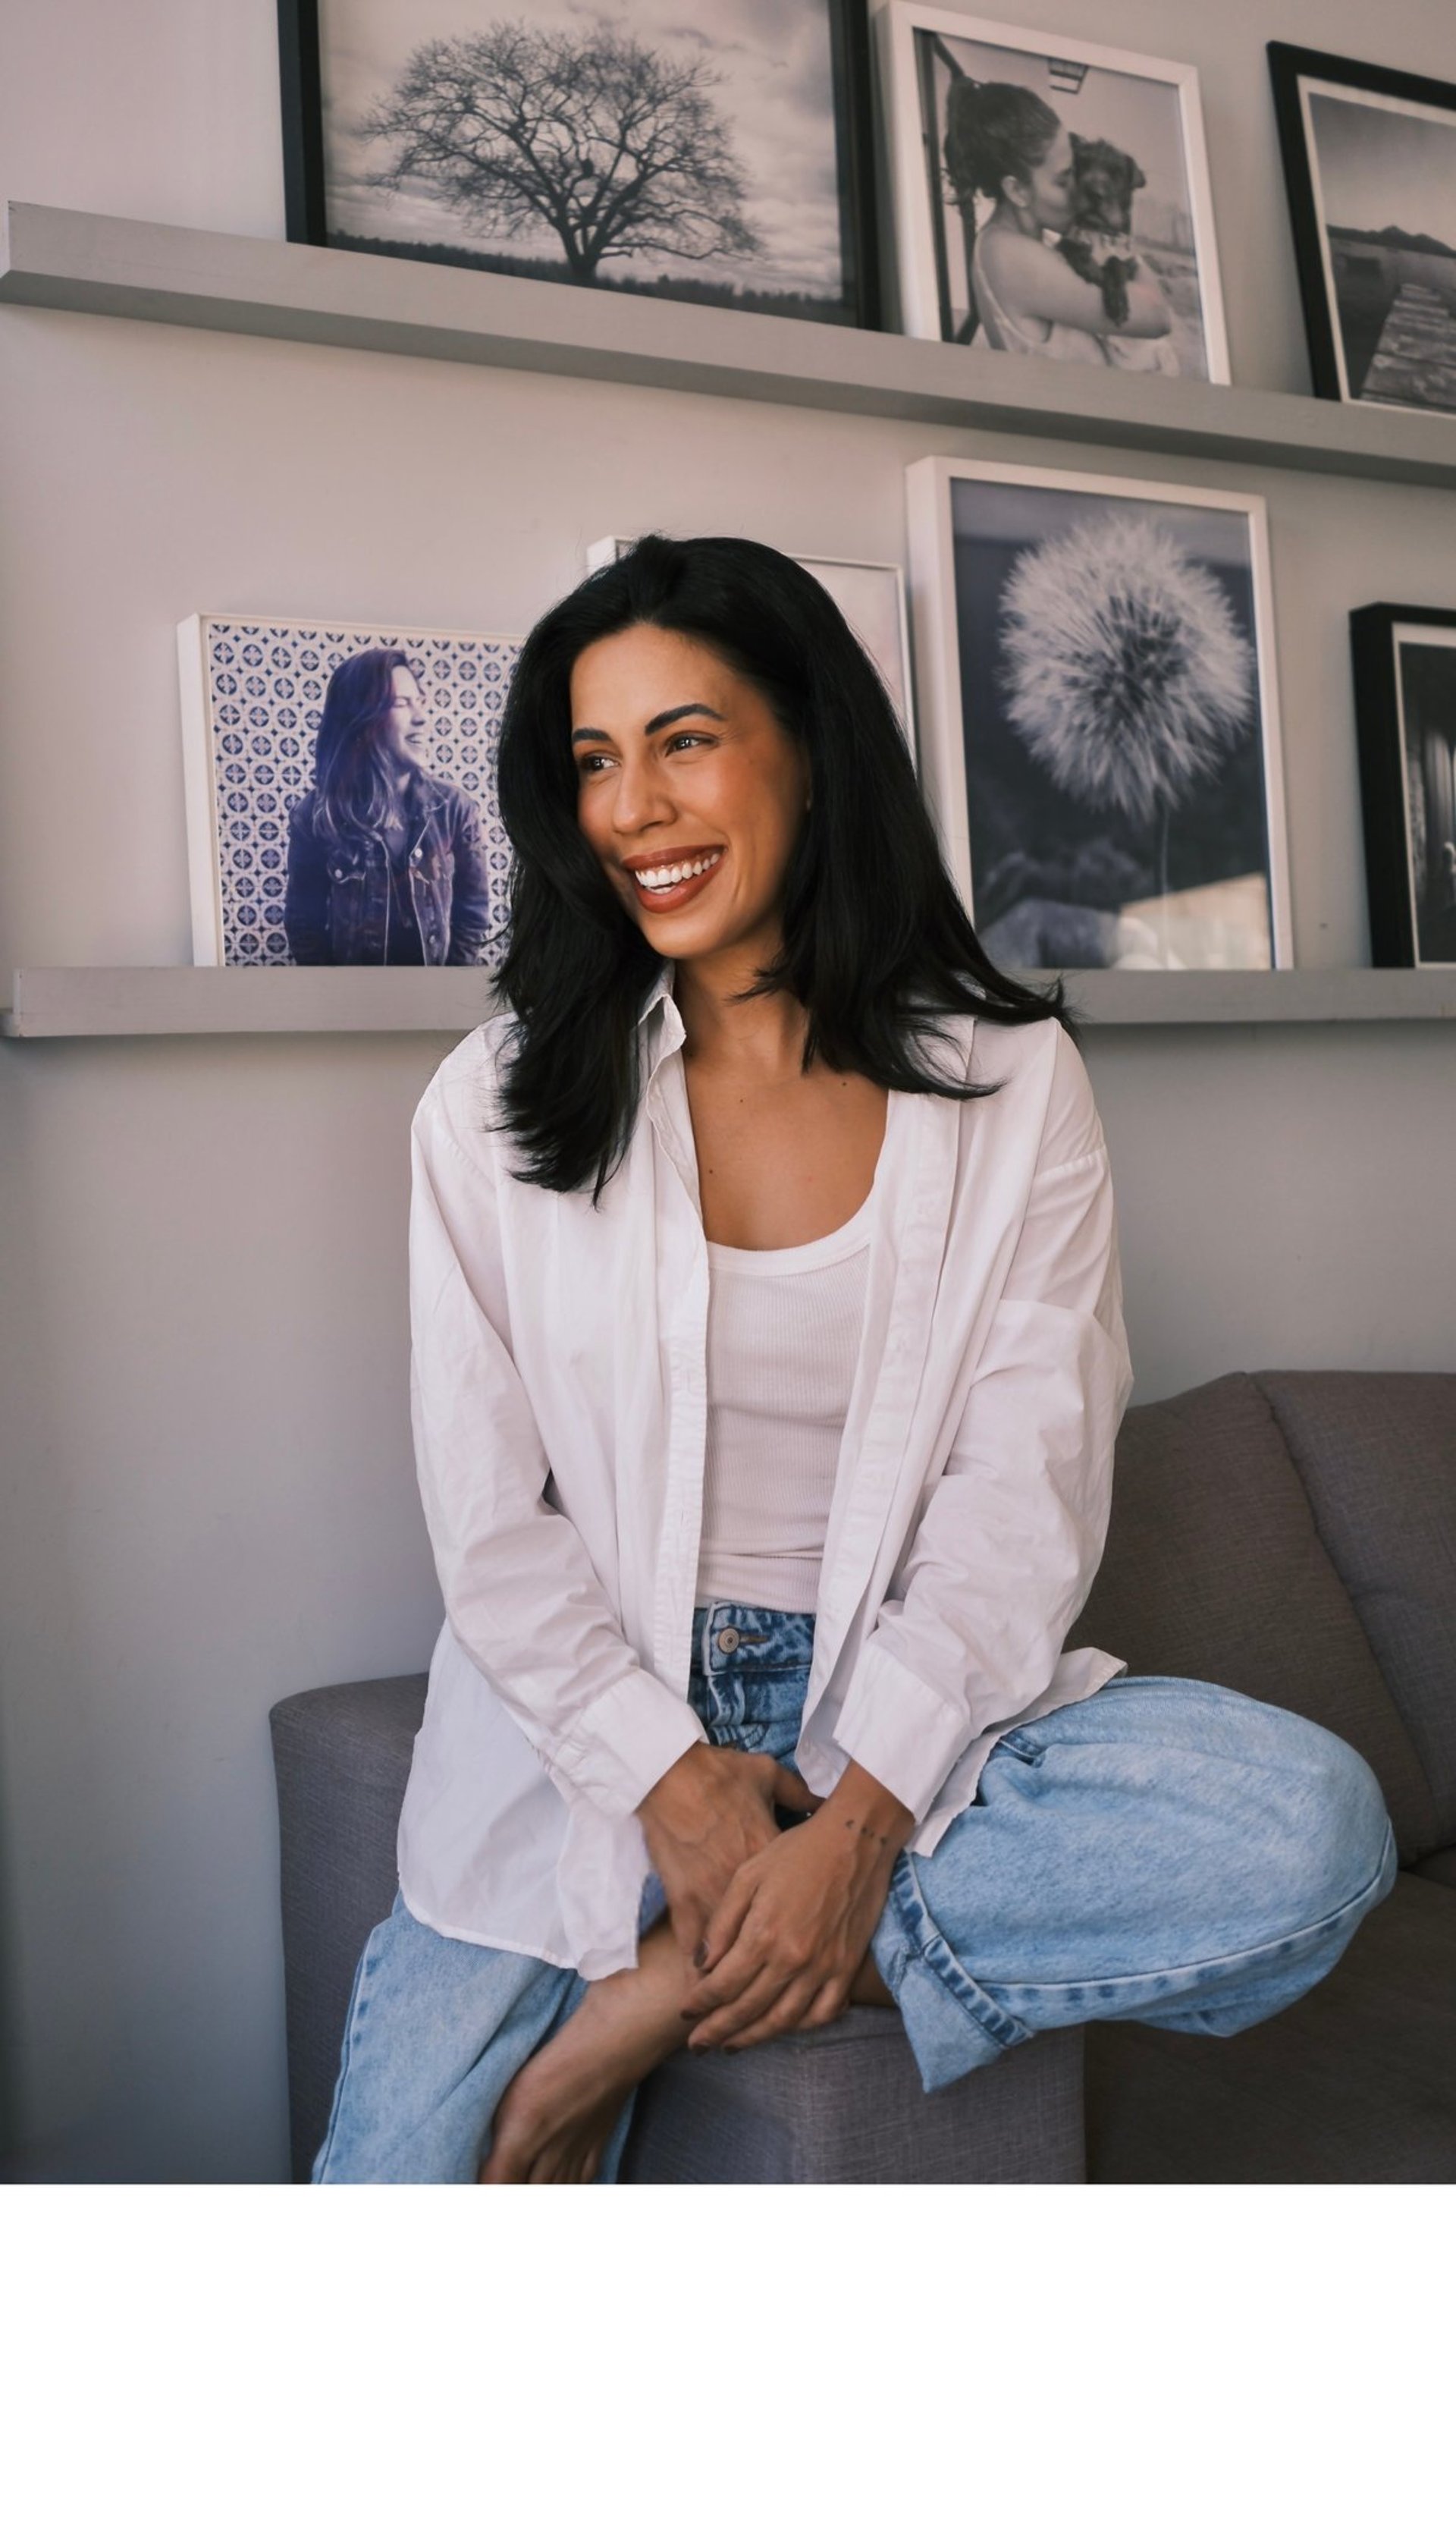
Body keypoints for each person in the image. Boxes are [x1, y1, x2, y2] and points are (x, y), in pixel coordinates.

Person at [312, 536, 1395, 2185]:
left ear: (810, 750)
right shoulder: (492, 1101)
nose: (633, 809)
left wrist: (867, 1815)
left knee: (1310, 1827)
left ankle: (663, 1988)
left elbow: (1024, 1480)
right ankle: (697, 1926)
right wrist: (672, 1779)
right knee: (397, 2199)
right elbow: (487, 1516)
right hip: (589, 1717)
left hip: (900, 1700)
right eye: (595, 760)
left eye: (684, 740)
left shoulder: (1010, 1082)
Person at [944, 79, 1175, 372]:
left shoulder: (1036, 242)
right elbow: (1158, 316)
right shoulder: (1008, 255)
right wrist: (1122, 248)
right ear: (1017, 191)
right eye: (1064, 181)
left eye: (1076, 172)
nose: (1080, 191)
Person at [283, 647, 494, 965]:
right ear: (360, 720)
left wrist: (449, 984)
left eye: (419, 701)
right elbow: (304, 925)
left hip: (435, 992)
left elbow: (473, 913)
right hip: (353, 995)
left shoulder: (455, 809)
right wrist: (333, 991)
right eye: (401, 703)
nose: (421, 717)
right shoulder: (314, 816)